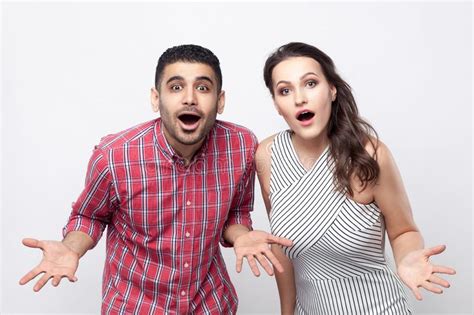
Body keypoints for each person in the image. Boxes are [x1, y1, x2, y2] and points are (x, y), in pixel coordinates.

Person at [19, 44, 292, 314]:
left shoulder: (240, 146)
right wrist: (71, 249)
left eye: (202, 87)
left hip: (211, 305)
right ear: (155, 98)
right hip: (137, 307)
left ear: (220, 101)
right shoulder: (115, 156)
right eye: (175, 87)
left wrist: (241, 235)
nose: (189, 99)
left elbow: (236, 212)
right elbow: (90, 216)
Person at [255, 42, 456, 314]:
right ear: (277, 105)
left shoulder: (370, 154)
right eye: (285, 90)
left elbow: (404, 230)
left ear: (332, 90)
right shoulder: (267, 156)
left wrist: (407, 259)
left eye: (310, 83)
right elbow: (282, 248)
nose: (299, 98)